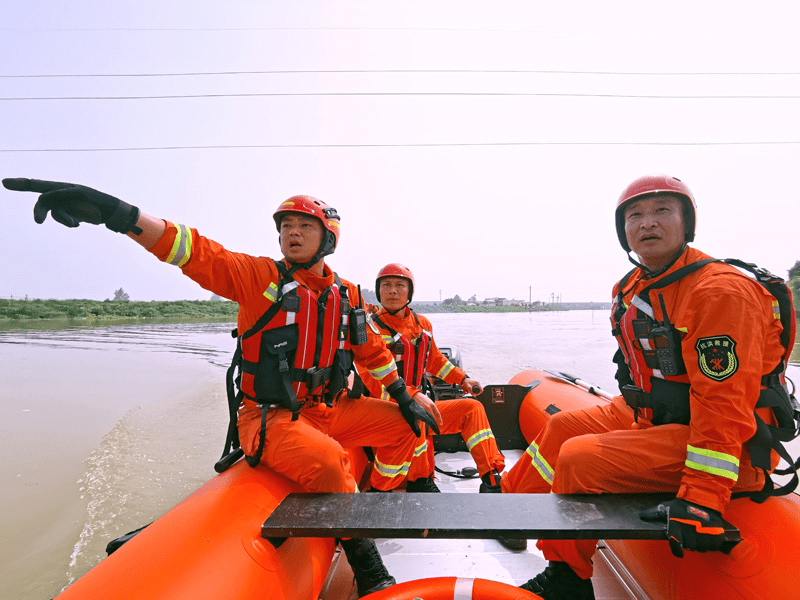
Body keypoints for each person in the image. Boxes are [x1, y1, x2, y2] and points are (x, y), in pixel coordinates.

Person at [2, 178, 441, 598]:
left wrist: (405, 395)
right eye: (286, 226)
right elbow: (194, 251)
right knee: (329, 461)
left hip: (329, 409)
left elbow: (370, 354)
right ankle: (368, 567)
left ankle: (370, 504)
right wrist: (120, 214)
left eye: (305, 226)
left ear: (329, 238)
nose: (292, 233)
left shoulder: (348, 295)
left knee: (409, 428)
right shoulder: (258, 278)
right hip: (271, 417)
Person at [501, 174, 797, 600]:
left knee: (578, 457)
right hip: (657, 416)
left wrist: (703, 498)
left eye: (662, 211)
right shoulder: (634, 287)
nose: (647, 224)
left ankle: (568, 580)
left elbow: (724, 403)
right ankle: (505, 512)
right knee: (561, 427)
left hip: (729, 441)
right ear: (624, 231)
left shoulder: (720, 292)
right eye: (635, 215)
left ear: (686, 223)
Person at [356, 263, 526, 551]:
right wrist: (408, 397)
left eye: (400, 285)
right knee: (415, 419)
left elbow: (434, 362)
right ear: (378, 291)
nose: (393, 291)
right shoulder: (368, 329)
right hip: (385, 409)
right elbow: (371, 376)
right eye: (386, 286)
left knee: (472, 409)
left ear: (410, 292)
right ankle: (398, 490)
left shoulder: (423, 325)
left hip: (419, 406)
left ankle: (492, 482)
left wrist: (464, 379)